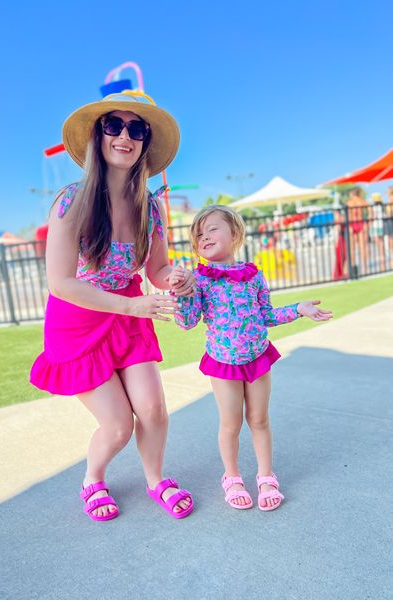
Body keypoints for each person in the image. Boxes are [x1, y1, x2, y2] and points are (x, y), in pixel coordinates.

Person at [30, 92, 195, 522]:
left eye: (137, 129)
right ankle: (93, 479)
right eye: (114, 126)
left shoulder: (151, 207)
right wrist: (135, 307)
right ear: (98, 137)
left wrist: (172, 278)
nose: (125, 136)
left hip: (129, 314)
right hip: (78, 322)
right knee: (119, 425)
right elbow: (60, 283)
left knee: (155, 411)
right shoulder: (71, 200)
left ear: (144, 143)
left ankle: (156, 479)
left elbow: (157, 268)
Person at [173, 205, 332, 511]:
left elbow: (266, 315)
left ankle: (265, 475)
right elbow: (188, 321)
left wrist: (299, 309)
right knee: (230, 424)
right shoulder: (199, 279)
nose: (204, 236)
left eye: (212, 229)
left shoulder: (254, 275)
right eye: (199, 234)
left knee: (259, 419)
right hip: (223, 363)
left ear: (235, 234)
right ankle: (231, 477)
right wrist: (181, 293)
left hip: (257, 357)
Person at [346, 187, 369, 275]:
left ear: (352, 193)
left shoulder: (349, 203)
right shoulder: (362, 201)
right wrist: (367, 223)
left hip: (352, 224)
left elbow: (347, 215)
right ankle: (365, 268)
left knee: (352, 248)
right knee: (363, 247)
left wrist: (349, 226)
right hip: (360, 223)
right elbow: (370, 212)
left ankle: (352, 268)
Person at [369, 193, 385, 271]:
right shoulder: (382, 206)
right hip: (381, 225)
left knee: (378, 243)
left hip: (376, 226)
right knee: (381, 242)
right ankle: (382, 259)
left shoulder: (374, 207)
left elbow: (372, 216)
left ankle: (381, 259)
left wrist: (369, 223)